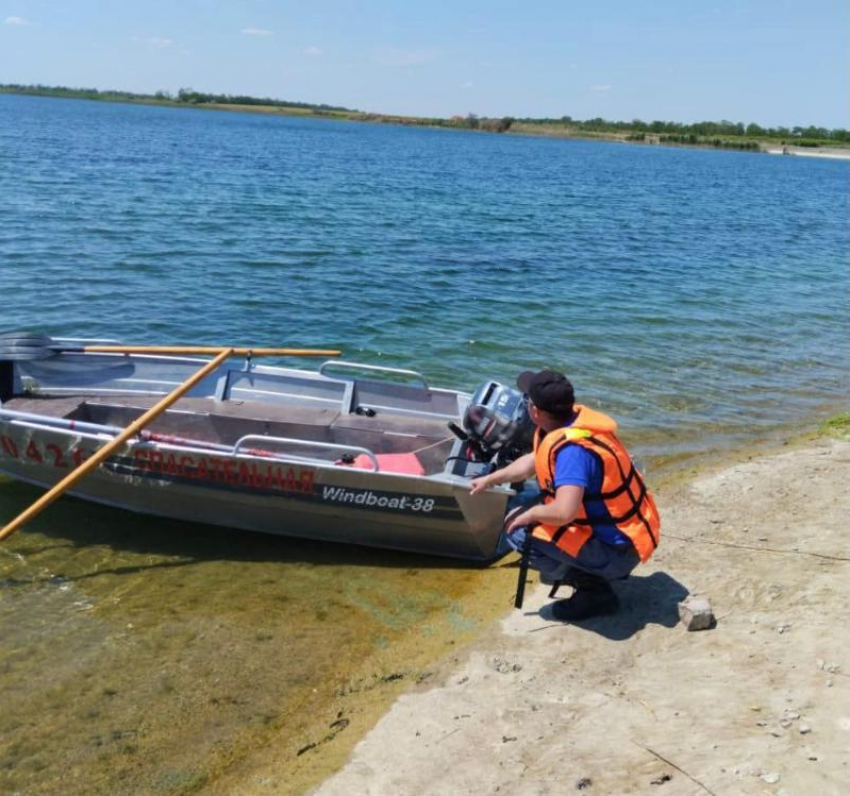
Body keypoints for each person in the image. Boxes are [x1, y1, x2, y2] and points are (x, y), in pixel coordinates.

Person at [469, 370, 660, 621]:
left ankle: (595, 591)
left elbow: (564, 512)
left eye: (527, 402)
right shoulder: (570, 425)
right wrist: (490, 479)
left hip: (619, 553)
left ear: (535, 412)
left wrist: (530, 514)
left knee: (516, 531)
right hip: (627, 538)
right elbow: (532, 461)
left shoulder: (572, 452)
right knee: (528, 511)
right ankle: (593, 572)